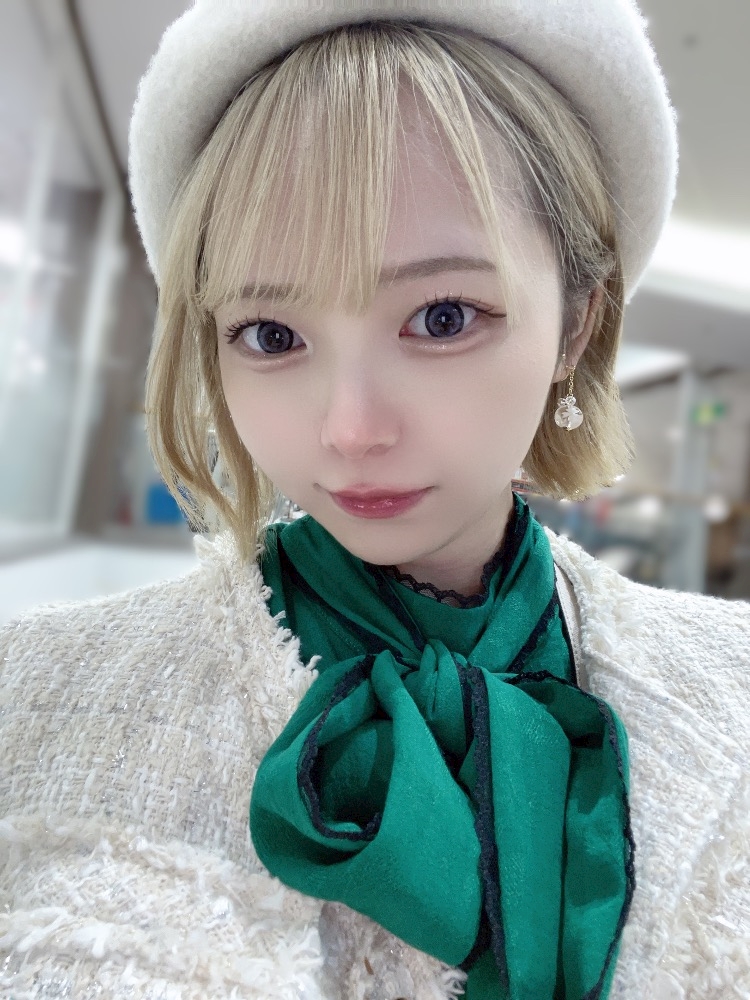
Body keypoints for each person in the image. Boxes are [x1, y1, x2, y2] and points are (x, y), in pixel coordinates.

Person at [2, 1, 749, 997]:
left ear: (576, 326)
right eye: (272, 335)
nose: (351, 429)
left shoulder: (732, 685)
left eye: (442, 317)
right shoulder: (35, 692)